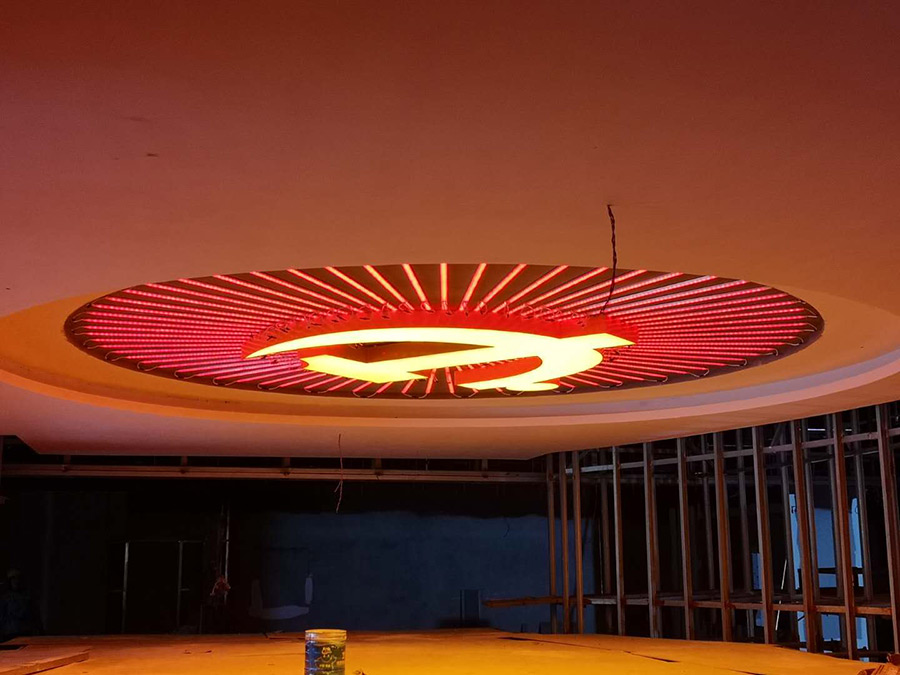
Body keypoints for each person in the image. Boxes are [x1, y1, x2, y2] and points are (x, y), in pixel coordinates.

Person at [0, 569, 40, 641]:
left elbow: (34, 614)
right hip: (10, 633)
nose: (16, 581)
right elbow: (2, 616)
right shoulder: (5, 598)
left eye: (18, 578)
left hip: (24, 631)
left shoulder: (27, 597)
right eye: (13, 579)